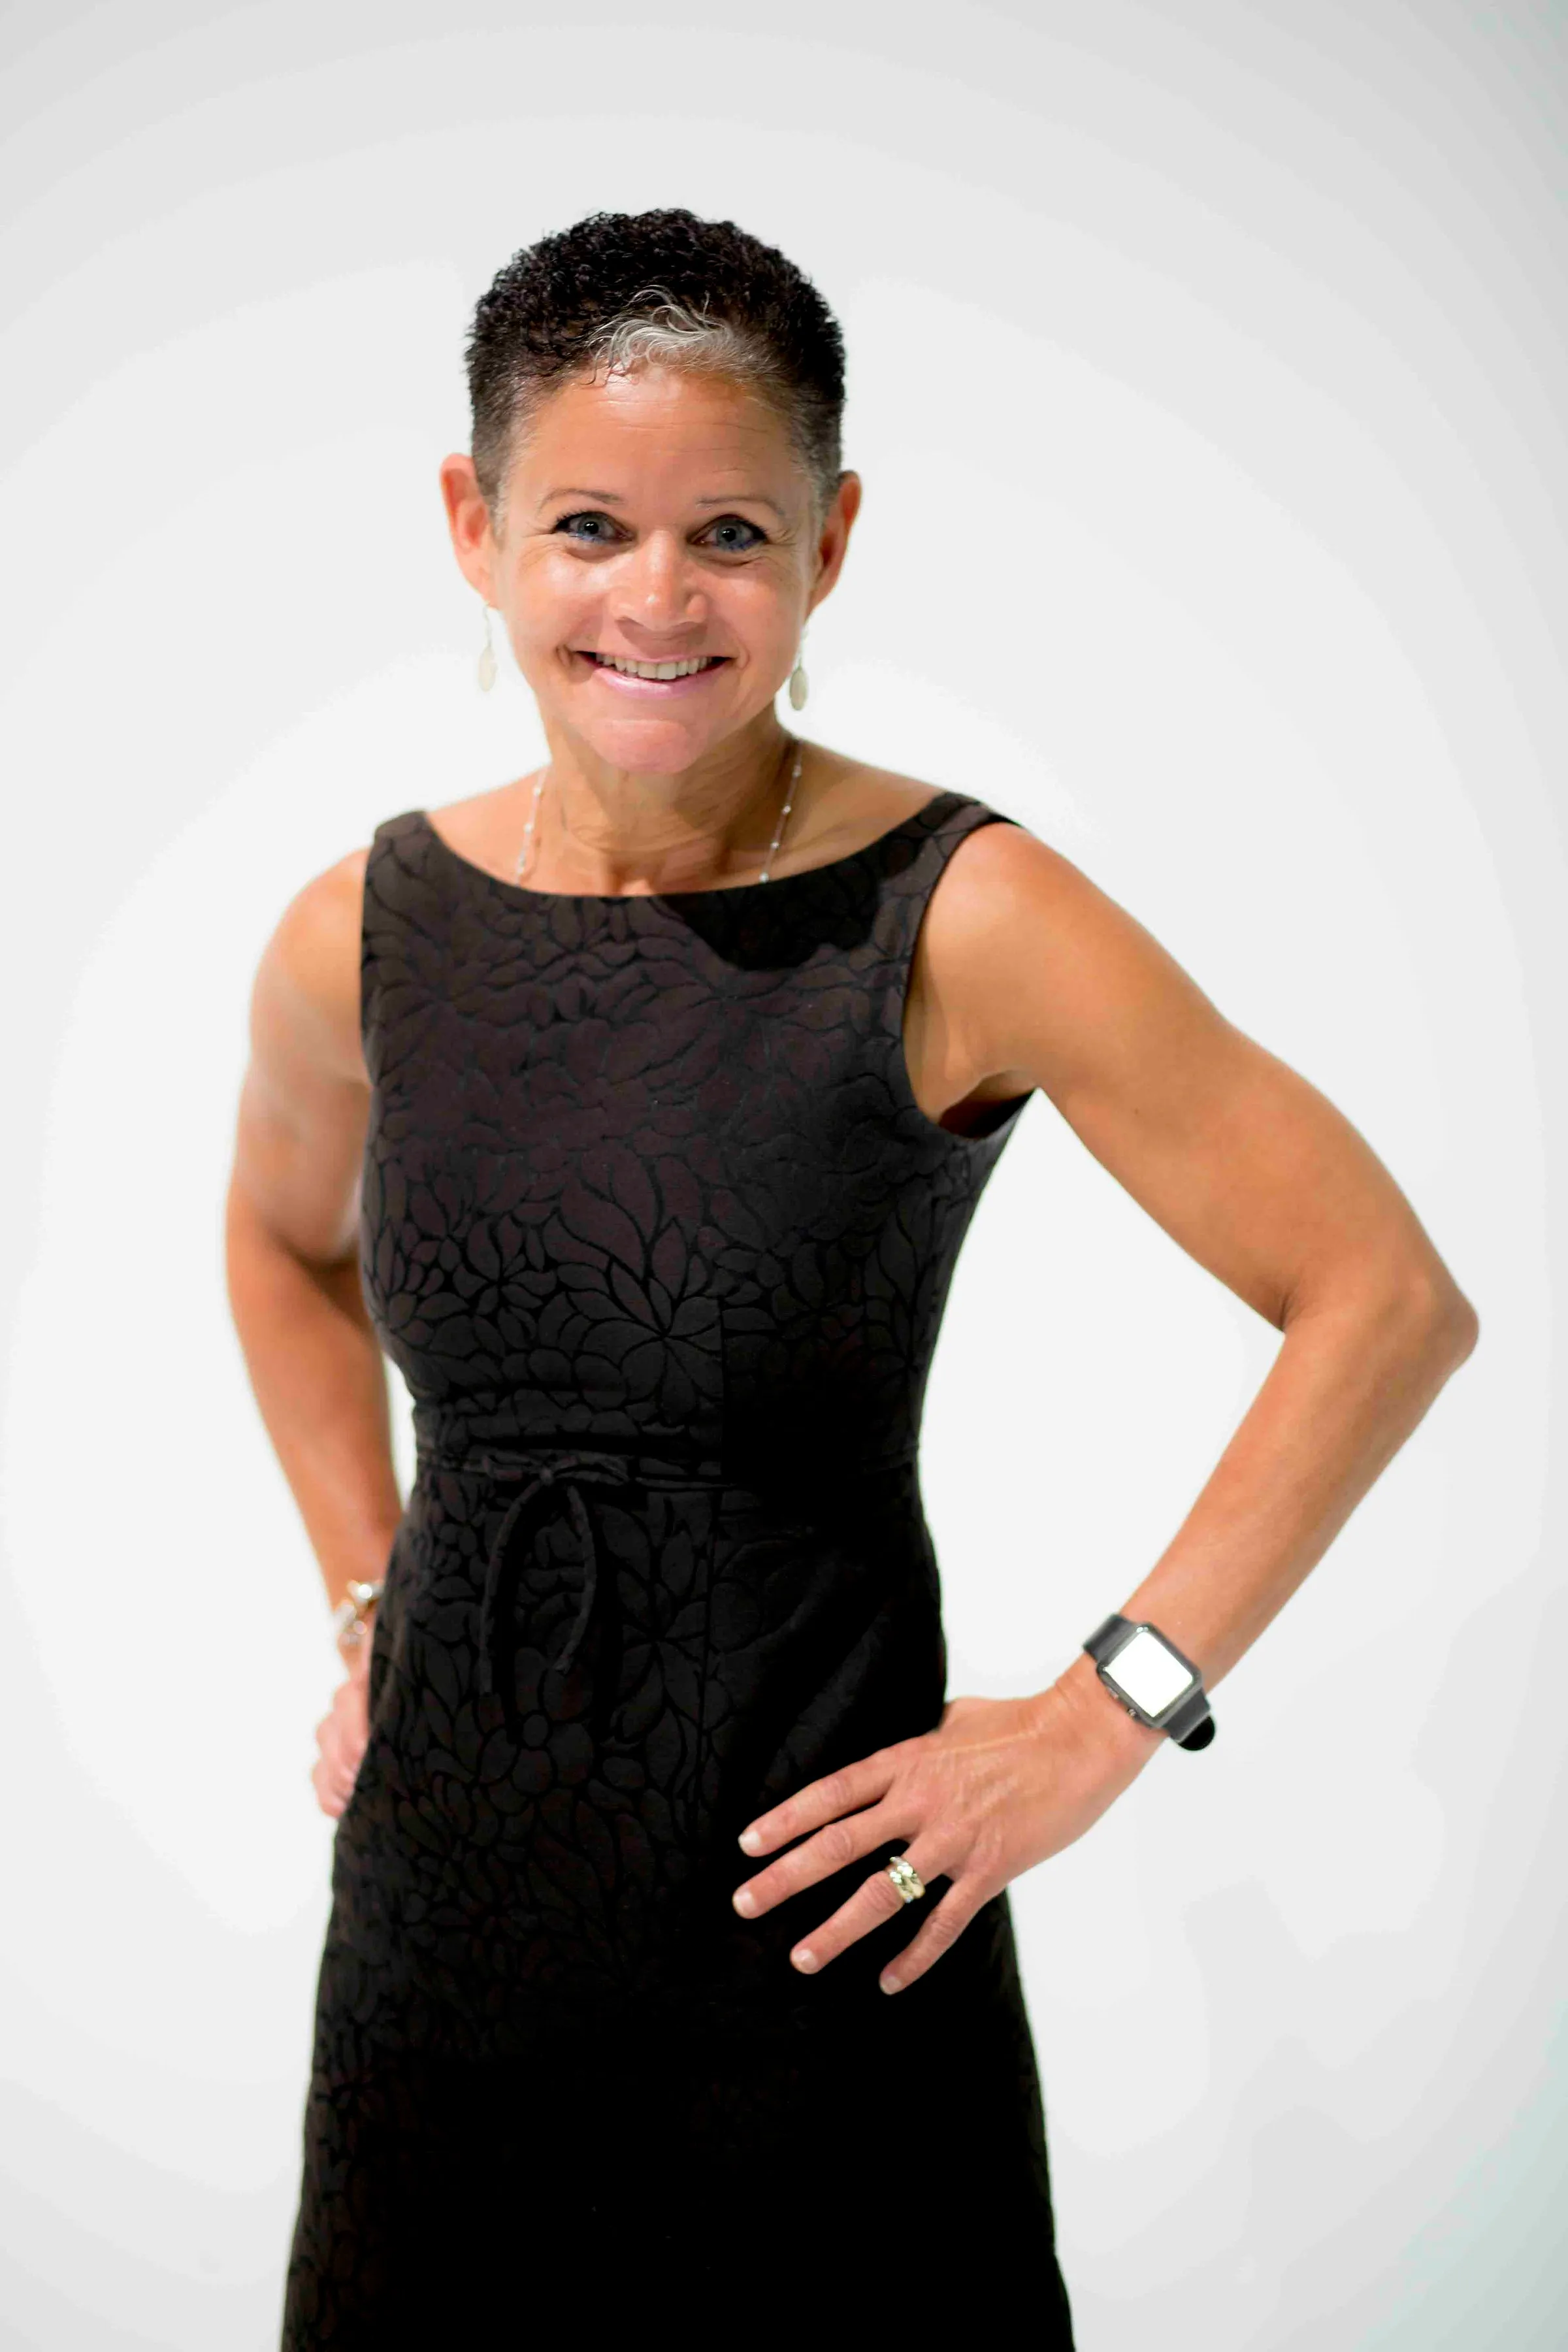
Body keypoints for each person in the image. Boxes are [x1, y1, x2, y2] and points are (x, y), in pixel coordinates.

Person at [226, 208, 1478, 2345]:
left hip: (820, 1964)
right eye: (588, 525)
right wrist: (371, 1593)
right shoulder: (364, 927)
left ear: (833, 539)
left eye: (729, 529)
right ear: (474, 523)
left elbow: (1381, 1293)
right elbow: (278, 1244)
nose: (655, 598)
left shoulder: (961, 912)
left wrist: (1101, 1723)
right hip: (441, 1959)